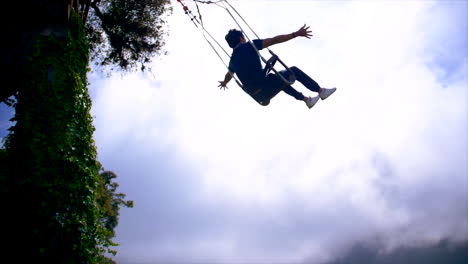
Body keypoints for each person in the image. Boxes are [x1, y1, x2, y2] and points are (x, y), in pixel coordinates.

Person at [218, 25, 336, 108]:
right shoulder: (249, 46)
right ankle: (321, 91)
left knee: (277, 79)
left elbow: (229, 75)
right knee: (293, 71)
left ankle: (307, 100)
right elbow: (275, 40)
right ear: (241, 38)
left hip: (260, 96)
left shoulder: (232, 61)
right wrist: (296, 34)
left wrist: (224, 82)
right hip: (264, 87)